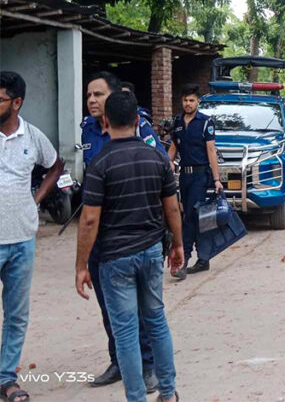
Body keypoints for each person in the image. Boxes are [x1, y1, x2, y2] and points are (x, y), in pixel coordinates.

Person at [75, 91, 184, 402]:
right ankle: (168, 393)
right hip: (151, 252)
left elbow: (90, 221)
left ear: (105, 121)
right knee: (156, 320)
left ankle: (136, 397)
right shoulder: (156, 157)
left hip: (114, 259)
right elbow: (172, 208)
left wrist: (81, 265)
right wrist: (177, 245)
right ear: (138, 121)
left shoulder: (100, 163)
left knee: (125, 332)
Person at [82, 71, 163, 391]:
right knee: (108, 305)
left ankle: (147, 366)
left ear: (114, 97)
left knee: (141, 309)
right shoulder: (88, 129)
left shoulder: (139, 127)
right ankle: (118, 359)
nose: (91, 100)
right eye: (88, 95)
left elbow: (159, 170)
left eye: (98, 95)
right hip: (100, 235)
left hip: (134, 233)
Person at [0, 71, 62, 402]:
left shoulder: (32, 136)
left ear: (17, 102)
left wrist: (35, 200)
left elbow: (55, 165)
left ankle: (7, 379)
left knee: (16, 314)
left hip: (22, 239)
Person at [167, 84, 223, 277]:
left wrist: (217, 179)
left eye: (192, 100)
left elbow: (211, 151)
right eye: (185, 100)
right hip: (184, 176)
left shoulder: (206, 122)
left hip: (201, 176)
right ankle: (204, 258)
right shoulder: (178, 122)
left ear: (198, 101)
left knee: (190, 217)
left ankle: (184, 261)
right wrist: (168, 165)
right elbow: (174, 147)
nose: (188, 104)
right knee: (195, 217)